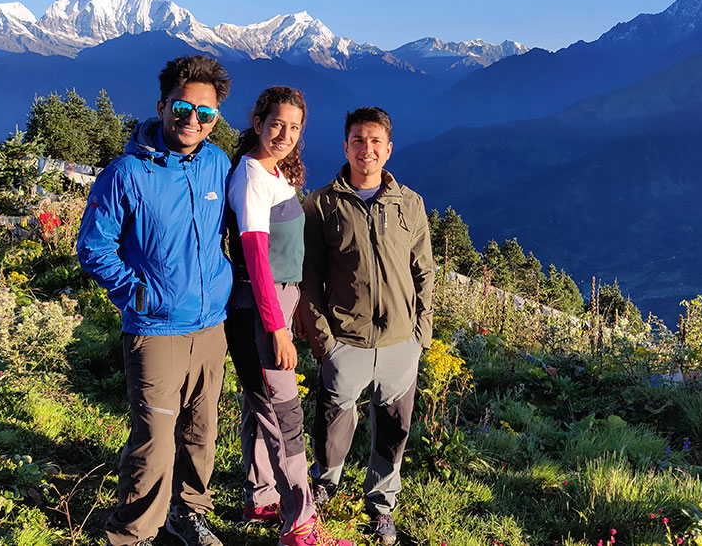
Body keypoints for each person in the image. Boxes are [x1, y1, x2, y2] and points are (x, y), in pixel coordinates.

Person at [76, 55, 233, 546]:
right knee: (155, 442)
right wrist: (138, 293)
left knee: (201, 432)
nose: (193, 121)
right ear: (163, 105)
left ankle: (187, 514)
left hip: (211, 325)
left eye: (205, 114)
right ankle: (132, 534)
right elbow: (92, 246)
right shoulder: (126, 173)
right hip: (156, 329)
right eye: (184, 108)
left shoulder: (217, 162)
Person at [299, 107, 435, 546]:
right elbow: (309, 275)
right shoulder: (321, 204)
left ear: (389, 149)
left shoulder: (409, 203)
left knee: (395, 428)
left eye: (375, 141)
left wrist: (421, 335)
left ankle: (380, 505)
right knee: (333, 421)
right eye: (358, 140)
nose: (367, 149)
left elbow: (424, 272)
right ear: (345, 146)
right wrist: (324, 340)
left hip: (400, 342)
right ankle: (324, 483)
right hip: (346, 341)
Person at [225, 87, 352, 546]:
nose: (285, 134)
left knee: (260, 407)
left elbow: (282, 255)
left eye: (294, 127)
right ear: (257, 122)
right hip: (260, 310)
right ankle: (300, 523)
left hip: (274, 304)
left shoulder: (272, 173)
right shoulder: (253, 178)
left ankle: (262, 497)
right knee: (285, 416)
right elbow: (257, 259)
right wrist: (277, 325)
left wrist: (292, 309)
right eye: (276, 123)